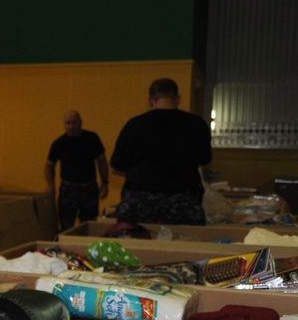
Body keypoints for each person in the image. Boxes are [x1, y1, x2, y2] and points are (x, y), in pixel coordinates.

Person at [109, 78, 213, 225]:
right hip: (183, 203)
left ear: (150, 100)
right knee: (186, 238)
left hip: (139, 203)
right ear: (178, 99)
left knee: (136, 239)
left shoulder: (135, 125)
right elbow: (205, 159)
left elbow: (115, 167)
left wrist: (142, 173)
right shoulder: (197, 124)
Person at [44, 110, 109, 232]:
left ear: (80, 122)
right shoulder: (59, 143)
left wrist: (105, 182)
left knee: (90, 226)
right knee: (66, 226)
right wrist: (50, 185)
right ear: (64, 125)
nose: (71, 127)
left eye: (74, 123)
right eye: (68, 123)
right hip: (68, 190)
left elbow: (102, 161)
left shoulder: (92, 138)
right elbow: (49, 165)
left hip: (89, 188)